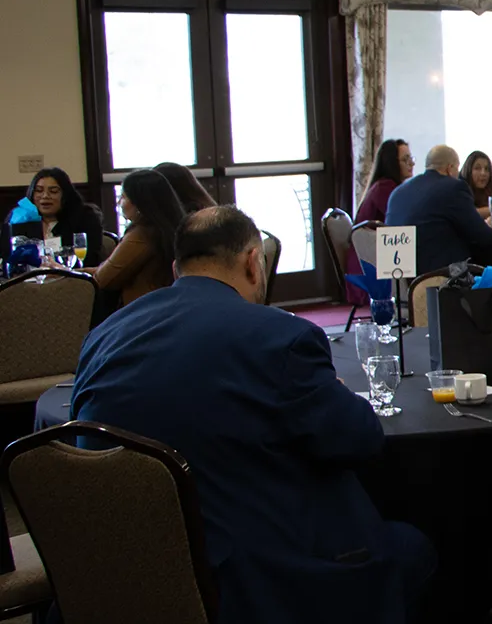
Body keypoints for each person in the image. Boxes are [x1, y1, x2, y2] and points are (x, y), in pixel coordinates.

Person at [70, 206, 435, 624]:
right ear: (252, 262)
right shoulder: (279, 336)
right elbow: (360, 439)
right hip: (249, 581)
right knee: (413, 549)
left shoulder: (102, 336)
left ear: (176, 269)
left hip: (122, 575)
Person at [386, 144, 492, 276]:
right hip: (438, 282)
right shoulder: (453, 187)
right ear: (450, 169)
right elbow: (485, 238)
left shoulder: (397, 192)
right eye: (457, 168)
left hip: (401, 283)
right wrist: (488, 226)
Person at [81, 170, 185, 307]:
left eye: (123, 197)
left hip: (141, 312)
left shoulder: (142, 235)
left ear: (140, 203)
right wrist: (72, 271)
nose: (118, 202)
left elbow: (104, 279)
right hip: (167, 306)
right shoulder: (171, 227)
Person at [347, 139, 413, 305]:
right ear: (392, 163)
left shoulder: (389, 186)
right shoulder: (385, 188)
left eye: (411, 158)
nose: (411, 163)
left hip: (380, 258)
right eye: (405, 159)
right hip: (371, 266)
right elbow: (403, 222)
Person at [2, 167, 103, 266]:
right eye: (39, 190)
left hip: (72, 278)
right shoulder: (20, 218)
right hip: (28, 279)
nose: (45, 196)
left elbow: (90, 260)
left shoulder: (85, 218)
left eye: (53, 191)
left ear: (65, 195)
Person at [460, 150, 492, 221]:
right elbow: (467, 213)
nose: (483, 173)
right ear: (468, 171)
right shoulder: (460, 191)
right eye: (477, 168)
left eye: (487, 169)